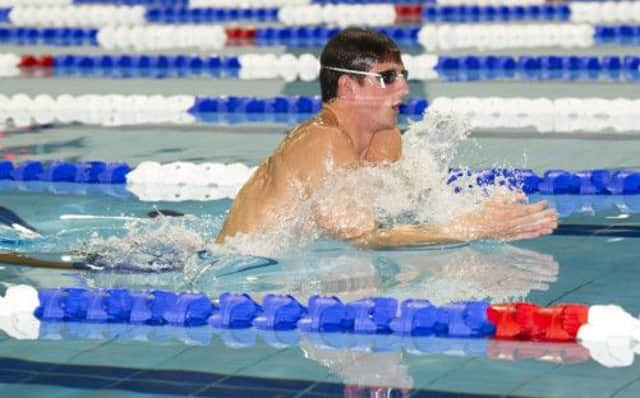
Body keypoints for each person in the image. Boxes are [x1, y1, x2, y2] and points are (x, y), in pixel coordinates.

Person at [216, 27, 557, 248]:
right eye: (388, 78)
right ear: (348, 86)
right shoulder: (323, 142)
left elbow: (399, 214)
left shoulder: (385, 136)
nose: (404, 89)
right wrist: (468, 228)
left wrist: (478, 209)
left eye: (403, 76)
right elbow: (362, 237)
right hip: (238, 273)